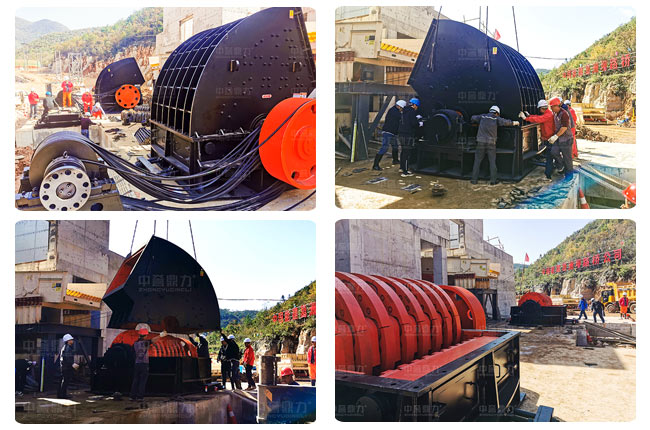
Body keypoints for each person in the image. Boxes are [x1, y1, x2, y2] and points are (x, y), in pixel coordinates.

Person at [470, 105, 519, 185]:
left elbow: (473, 118)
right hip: (491, 143)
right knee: (492, 161)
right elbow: (506, 122)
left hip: (480, 142)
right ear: (497, 113)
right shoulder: (496, 118)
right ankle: (493, 180)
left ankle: (474, 180)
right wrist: (515, 122)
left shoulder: (482, 116)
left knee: (477, 161)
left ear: (490, 110)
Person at [520, 100, 557, 180]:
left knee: (549, 157)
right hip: (548, 138)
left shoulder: (548, 115)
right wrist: (530, 116)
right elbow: (538, 117)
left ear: (542, 108)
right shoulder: (547, 113)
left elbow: (539, 119)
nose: (539, 110)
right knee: (550, 156)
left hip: (550, 138)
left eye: (539, 109)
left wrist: (526, 118)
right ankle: (552, 170)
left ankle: (548, 174)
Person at [130, 327, 164, 401]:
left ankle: (132, 396)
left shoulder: (135, 343)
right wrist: (161, 335)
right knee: (142, 381)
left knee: (135, 380)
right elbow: (153, 340)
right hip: (144, 364)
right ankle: (140, 397)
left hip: (137, 363)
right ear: (145, 335)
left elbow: (133, 354)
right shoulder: (145, 343)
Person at [373, 100, 406, 170]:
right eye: (402, 108)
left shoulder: (394, 110)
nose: (402, 109)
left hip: (393, 132)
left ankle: (395, 160)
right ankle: (375, 165)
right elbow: (401, 117)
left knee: (395, 146)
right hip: (388, 132)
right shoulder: (394, 111)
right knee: (384, 148)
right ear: (399, 106)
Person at [548, 97, 574, 179]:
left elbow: (564, 128)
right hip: (559, 139)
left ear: (557, 106)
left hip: (566, 139)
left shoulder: (564, 114)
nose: (551, 109)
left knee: (567, 159)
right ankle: (561, 166)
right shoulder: (555, 113)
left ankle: (569, 176)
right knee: (554, 152)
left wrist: (556, 136)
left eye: (552, 107)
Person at [398, 98, 421, 177]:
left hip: (401, 134)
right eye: (417, 106)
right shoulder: (412, 112)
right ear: (414, 105)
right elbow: (413, 123)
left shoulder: (404, 111)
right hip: (408, 135)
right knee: (407, 153)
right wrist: (419, 123)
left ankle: (402, 168)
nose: (417, 108)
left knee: (403, 151)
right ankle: (405, 172)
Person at [57, 334, 79, 399]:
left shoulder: (65, 347)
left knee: (64, 381)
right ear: (68, 340)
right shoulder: (67, 348)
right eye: (71, 339)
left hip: (65, 367)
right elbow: (67, 358)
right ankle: (62, 395)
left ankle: (61, 394)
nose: (72, 341)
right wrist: (72, 364)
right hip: (66, 368)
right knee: (65, 381)